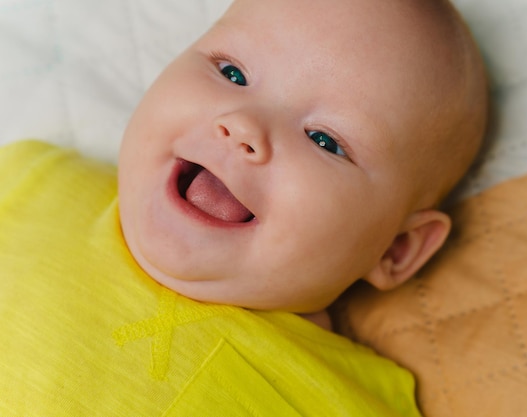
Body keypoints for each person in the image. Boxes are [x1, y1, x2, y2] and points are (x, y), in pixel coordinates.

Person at [0, 0, 488, 415]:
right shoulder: (33, 179)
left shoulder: (347, 400)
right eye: (232, 73)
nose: (244, 125)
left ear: (396, 249)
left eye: (324, 140)